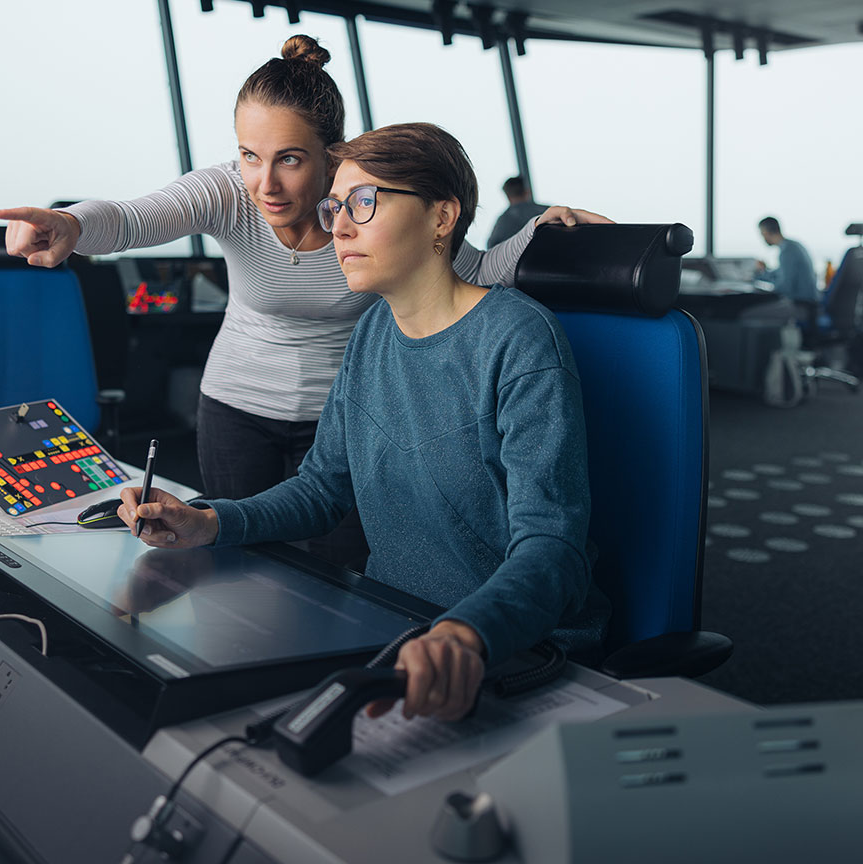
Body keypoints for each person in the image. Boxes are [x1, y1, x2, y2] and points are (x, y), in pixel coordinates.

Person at [0, 35, 611, 570]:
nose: (266, 184)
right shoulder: (230, 193)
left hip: (339, 416)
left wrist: (537, 235)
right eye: (249, 156)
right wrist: (70, 224)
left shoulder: (366, 213)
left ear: (330, 154)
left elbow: (467, 273)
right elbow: (131, 218)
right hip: (237, 404)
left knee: (345, 569)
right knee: (241, 564)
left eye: (289, 159)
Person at [112, 123, 609, 722]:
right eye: (334, 206)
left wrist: (465, 634)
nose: (338, 226)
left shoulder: (518, 339)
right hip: (391, 627)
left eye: (364, 202)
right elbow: (325, 488)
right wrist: (209, 522)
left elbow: (553, 548)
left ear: (441, 217)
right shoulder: (373, 330)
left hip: (504, 651)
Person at [754, 216, 820, 317]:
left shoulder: (787, 252)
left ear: (766, 232)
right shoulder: (792, 246)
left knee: (752, 312)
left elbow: (784, 287)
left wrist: (762, 292)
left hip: (802, 305)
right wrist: (763, 272)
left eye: (762, 234)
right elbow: (780, 274)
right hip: (808, 303)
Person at [486, 175, 549, 246]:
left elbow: (491, 247)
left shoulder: (503, 221)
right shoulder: (547, 211)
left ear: (508, 196)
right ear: (527, 192)